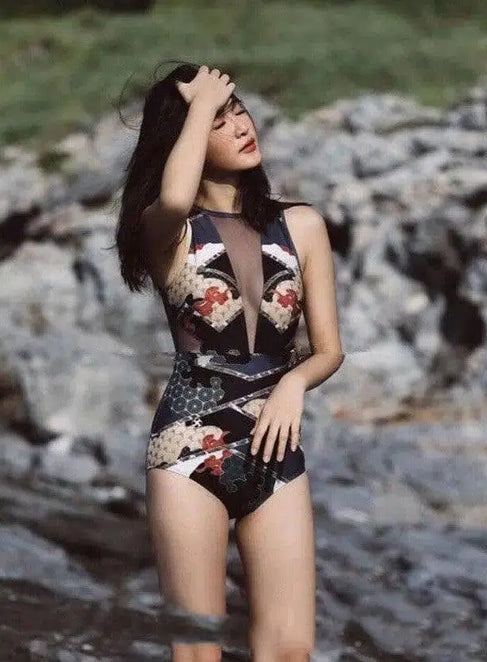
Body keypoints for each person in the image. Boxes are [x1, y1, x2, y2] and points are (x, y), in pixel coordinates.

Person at [114, 61, 344, 662]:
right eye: (219, 121)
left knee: (290, 651)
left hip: (276, 452)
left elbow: (329, 350)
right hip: (188, 451)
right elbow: (173, 194)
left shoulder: (303, 225)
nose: (241, 126)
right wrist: (198, 104)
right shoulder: (166, 230)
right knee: (197, 651)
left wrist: (293, 384)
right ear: (185, 136)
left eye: (239, 111)